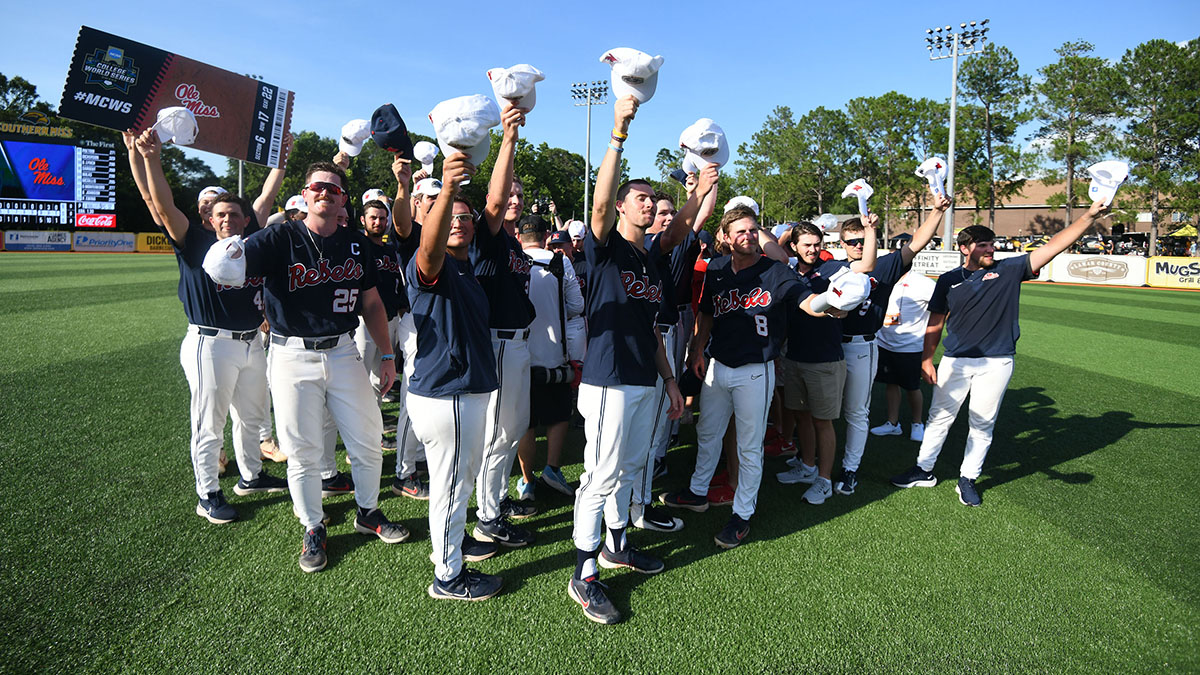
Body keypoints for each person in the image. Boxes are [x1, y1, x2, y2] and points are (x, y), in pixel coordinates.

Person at [202, 160, 410, 573]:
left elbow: (371, 301)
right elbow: (230, 266)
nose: (325, 194)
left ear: (343, 200)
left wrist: (387, 355)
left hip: (343, 349)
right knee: (301, 450)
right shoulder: (281, 236)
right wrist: (227, 250)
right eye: (318, 187)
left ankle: (368, 512)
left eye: (334, 190)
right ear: (306, 193)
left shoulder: (355, 242)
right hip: (292, 354)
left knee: (368, 438)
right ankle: (312, 526)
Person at [568, 94, 709, 625]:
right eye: (641, 199)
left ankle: (616, 546)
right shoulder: (604, 248)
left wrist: (670, 380)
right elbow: (599, 207)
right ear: (625, 208)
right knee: (599, 476)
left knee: (629, 469)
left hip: (645, 379)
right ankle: (583, 574)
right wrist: (616, 135)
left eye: (654, 199)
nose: (649, 204)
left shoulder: (648, 261)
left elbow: (653, 329)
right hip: (607, 381)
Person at [890, 201, 1110, 506]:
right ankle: (923, 469)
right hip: (955, 360)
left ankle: (968, 478)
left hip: (997, 362)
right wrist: (927, 358)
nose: (991, 250)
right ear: (965, 248)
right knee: (940, 418)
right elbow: (936, 322)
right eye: (983, 245)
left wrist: (1088, 217)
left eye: (992, 244)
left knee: (982, 424)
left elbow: (1055, 245)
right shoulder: (948, 280)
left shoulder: (1009, 270)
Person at [661, 206, 853, 547]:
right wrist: (696, 348)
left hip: (755, 369)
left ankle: (742, 513)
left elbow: (805, 301)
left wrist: (827, 305)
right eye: (740, 231)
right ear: (725, 237)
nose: (748, 236)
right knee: (708, 433)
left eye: (752, 230)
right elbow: (706, 312)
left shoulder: (774, 271)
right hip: (718, 364)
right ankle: (698, 491)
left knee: (749, 446)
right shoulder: (718, 268)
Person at [132, 129, 288, 524]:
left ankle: (251, 476)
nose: (229, 219)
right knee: (209, 421)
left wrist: (281, 160)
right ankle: (208, 493)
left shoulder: (251, 241)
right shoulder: (193, 242)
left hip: (252, 341)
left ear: (245, 219)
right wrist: (150, 157)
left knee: (253, 417)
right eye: (221, 214)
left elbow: (267, 197)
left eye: (235, 214)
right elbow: (162, 205)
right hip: (211, 343)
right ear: (209, 218)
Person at [404, 152, 504, 600]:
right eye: (452, 217)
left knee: (457, 481)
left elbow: (496, 205)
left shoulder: (467, 266)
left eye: (466, 216)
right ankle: (448, 576)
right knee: (451, 485)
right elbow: (428, 250)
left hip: (459, 392)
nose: (460, 222)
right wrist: (445, 190)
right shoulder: (431, 263)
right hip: (450, 394)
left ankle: (453, 545)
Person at [833, 195, 949, 495]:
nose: (858, 245)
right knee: (822, 411)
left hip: (861, 347)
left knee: (857, 412)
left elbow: (917, 243)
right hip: (829, 347)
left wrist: (936, 211)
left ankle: (850, 469)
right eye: (852, 240)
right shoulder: (831, 270)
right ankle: (811, 463)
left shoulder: (884, 266)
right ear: (842, 244)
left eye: (862, 239)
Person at [468, 104, 541, 548]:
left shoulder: (513, 240)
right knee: (499, 433)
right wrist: (509, 140)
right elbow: (493, 200)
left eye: (519, 195)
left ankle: (492, 502)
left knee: (511, 431)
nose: (513, 200)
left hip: (516, 343)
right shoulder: (488, 231)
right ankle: (488, 516)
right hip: (497, 342)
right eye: (507, 194)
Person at [774, 218, 875, 505]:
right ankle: (807, 467)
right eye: (806, 245)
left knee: (823, 422)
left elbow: (866, 265)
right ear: (794, 246)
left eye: (818, 244)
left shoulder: (833, 269)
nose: (813, 250)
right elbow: (773, 249)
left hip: (826, 359)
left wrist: (870, 230)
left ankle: (825, 479)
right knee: (802, 416)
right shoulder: (787, 271)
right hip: (794, 357)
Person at [515, 215, 585, 498]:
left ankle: (527, 481)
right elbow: (576, 305)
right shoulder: (561, 261)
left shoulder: (513, 260)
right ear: (546, 236)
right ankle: (552, 469)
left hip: (519, 352)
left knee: (526, 421)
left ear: (519, 237)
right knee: (558, 414)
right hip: (556, 351)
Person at [869, 268, 937, 441]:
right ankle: (892, 424)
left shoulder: (923, 283)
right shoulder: (883, 279)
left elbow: (943, 306)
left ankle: (917, 423)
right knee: (891, 384)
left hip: (911, 346)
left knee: (912, 387)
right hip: (884, 342)